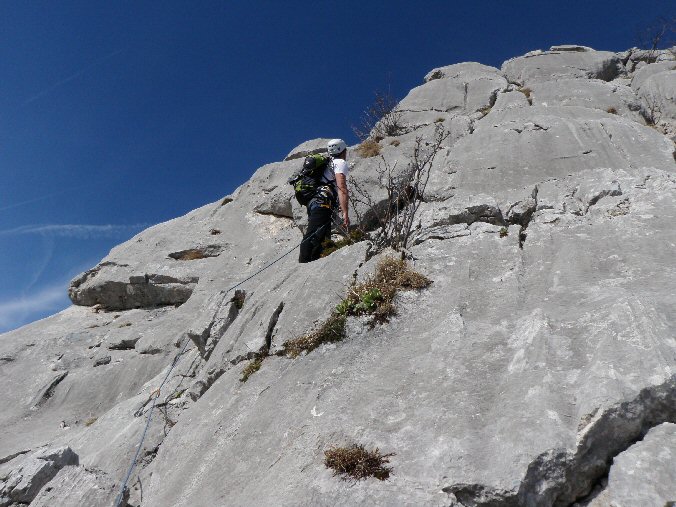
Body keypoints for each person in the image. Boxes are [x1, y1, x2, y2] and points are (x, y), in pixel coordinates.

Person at [298, 139, 350, 263]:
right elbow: (341, 187)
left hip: (314, 202)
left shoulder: (327, 163)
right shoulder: (339, 162)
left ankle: (314, 263)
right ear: (343, 150)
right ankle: (303, 265)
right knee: (312, 235)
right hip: (323, 202)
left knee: (322, 239)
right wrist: (345, 212)